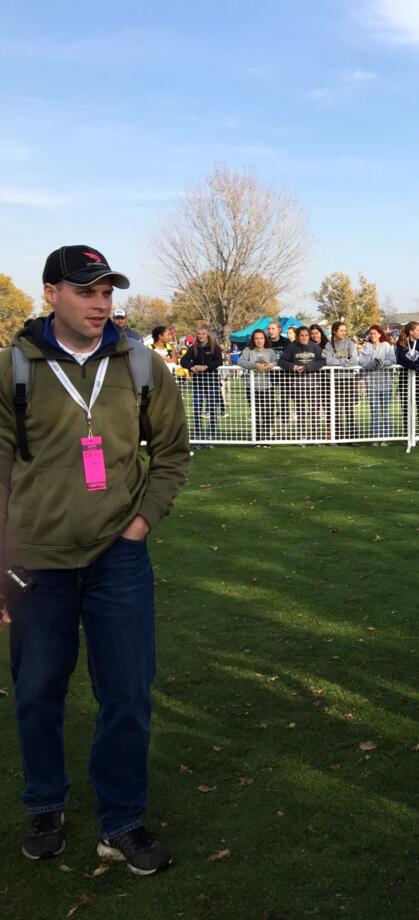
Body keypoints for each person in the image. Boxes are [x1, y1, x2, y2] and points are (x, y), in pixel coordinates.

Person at [0, 244, 190, 875]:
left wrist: (139, 525)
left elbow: (171, 455)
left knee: (128, 694)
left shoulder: (141, 364)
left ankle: (122, 821)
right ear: (51, 292)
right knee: (37, 693)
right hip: (35, 562)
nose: (101, 303)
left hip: (118, 557)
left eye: (109, 291)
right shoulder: (14, 370)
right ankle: (45, 805)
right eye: (87, 291)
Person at [279, 325, 325, 440]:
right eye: (301, 336)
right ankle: (302, 436)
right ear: (298, 336)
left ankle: (316, 437)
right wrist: (292, 366)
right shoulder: (292, 347)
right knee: (301, 411)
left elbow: (322, 361)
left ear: (309, 336)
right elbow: (281, 361)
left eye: (306, 335)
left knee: (315, 412)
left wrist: (307, 367)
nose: (304, 338)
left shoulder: (315, 347)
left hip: (314, 385)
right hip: (298, 385)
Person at [180, 325, 223, 445]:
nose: (201, 336)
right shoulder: (193, 347)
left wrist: (206, 367)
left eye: (203, 334)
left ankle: (210, 437)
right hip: (198, 384)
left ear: (208, 334)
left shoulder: (215, 347)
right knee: (197, 411)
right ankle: (198, 437)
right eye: (198, 334)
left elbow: (219, 361)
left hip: (212, 383)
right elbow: (183, 361)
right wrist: (192, 367)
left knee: (212, 411)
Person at [239, 328, 278, 442]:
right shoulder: (247, 350)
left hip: (267, 386)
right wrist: (255, 366)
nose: (259, 341)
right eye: (256, 338)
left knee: (268, 411)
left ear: (265, 339)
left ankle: (267, 435)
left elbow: (276, 361)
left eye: (261, 338)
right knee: (255, 412)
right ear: (253, 340)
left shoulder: (270, 351)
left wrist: (271, 365)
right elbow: (240, 361)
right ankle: (257, 436)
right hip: (251, 387)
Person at [324, 321, 362, 440]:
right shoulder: (329, 345)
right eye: (341, 330)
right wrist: (344, 362)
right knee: (336, 409)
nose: (344, 332)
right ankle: (338, 436)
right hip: (334, 380)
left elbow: (355, 360)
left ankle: (351, 437)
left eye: (345, 330)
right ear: (335, 331)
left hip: (349, 380)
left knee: (349, 409)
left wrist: (340, 364)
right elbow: (328, 361)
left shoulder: (350, 343)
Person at [358, 325, 396, 444]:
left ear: (380, 334)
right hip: (371, 384)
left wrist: (382, 363)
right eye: (371, 333)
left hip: (386, 384)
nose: (372, 335)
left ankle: (386, 438)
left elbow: (393, 360)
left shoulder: (386, 346)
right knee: (374, 411)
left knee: (386, 411)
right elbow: (362, 361)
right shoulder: (366, 346)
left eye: (375, 333)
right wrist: (373, 364)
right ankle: (375, 438)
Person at [395, 321, 419, 437]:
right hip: (405, 378)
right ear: (411, 331)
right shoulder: (401, 342)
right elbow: (400, 359)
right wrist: (412, 366)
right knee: (406, 407)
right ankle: (407, 433)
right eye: (418, 330)